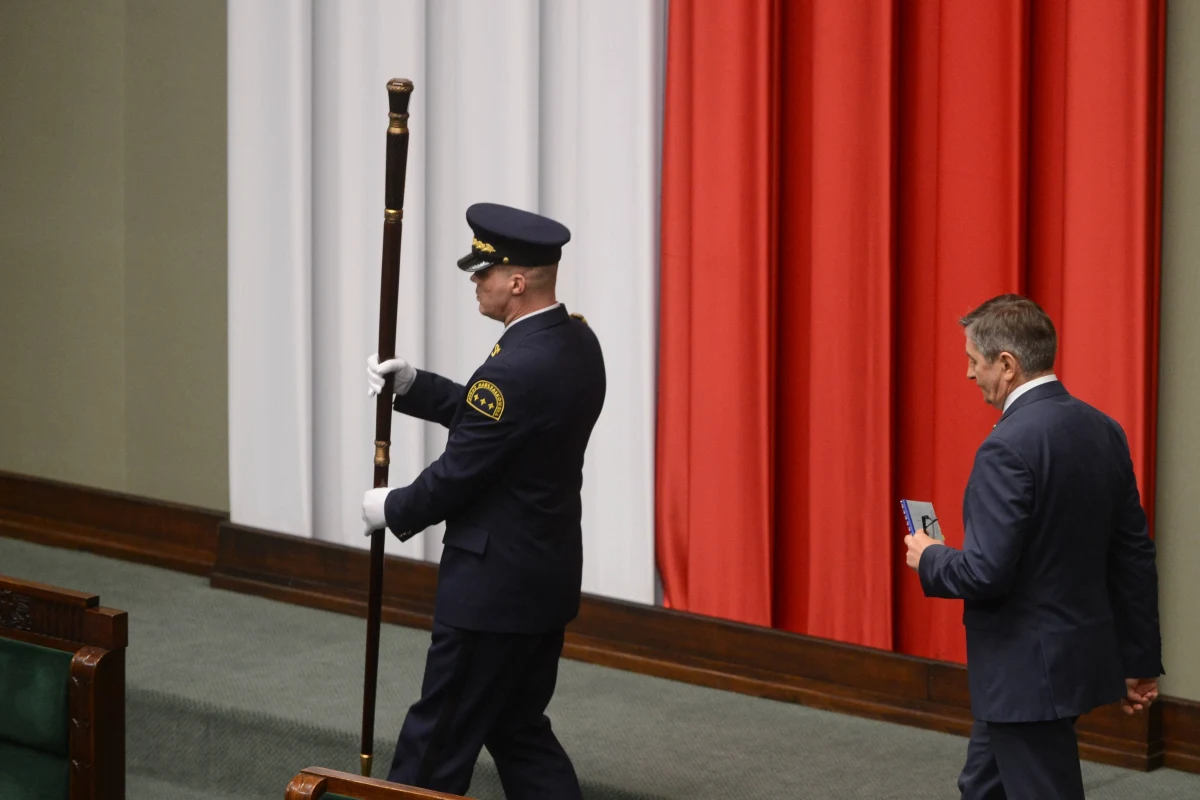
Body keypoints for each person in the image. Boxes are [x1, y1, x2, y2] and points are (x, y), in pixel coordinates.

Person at [360, 202, 605, 798]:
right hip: (541, 580)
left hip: (490, 594)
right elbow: (500, 425)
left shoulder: (513, 369)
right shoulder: (575, 341)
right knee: (518, 729)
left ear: (516, 283)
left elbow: (461, 472)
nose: (475, 281)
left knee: (433, 745)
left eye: (484, 272)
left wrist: (390, 509)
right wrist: (415, 386)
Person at [904, 294, 1163, 800]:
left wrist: (929, 557)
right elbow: (1132, 556)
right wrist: (1140, 660)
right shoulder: (1104, 431)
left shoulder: (1006, 447)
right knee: (982, 786)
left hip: (1026, 674)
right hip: (1069, 660)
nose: (967, 374)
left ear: (1006, 364)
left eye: (972, 361)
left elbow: (985, 573)